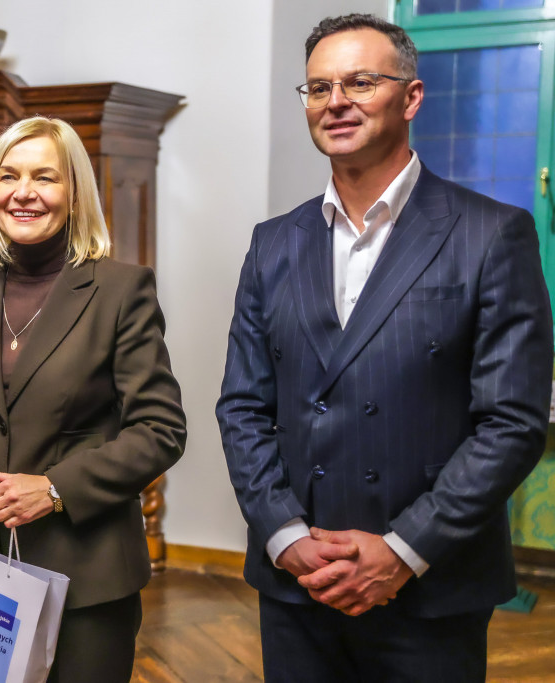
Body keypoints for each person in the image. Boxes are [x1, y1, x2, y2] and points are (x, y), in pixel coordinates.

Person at [216, 13, 553, 683]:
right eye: (318, 87)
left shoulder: (491, 234)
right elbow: (242, 406)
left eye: (361, 82)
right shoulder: (272, 243)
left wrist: (403, 550)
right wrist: (285, 535)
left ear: (411, 96)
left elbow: (511, 422)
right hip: (298, 585)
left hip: (430, 588)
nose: (336, 101)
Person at [0, 116, 187, 681]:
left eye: (45, 177)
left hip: (88, 575)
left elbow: (160, 430)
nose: (23, 192)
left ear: (75, 192)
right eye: (8, 176)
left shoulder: (121, 290)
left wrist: (56, 488)